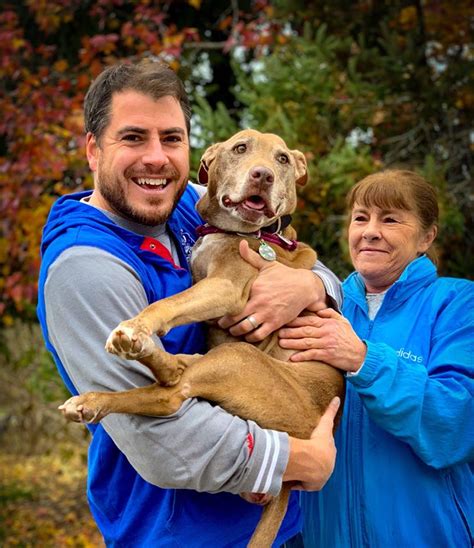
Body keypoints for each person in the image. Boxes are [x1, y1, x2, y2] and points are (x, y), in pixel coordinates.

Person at [37, 60, 343, 547]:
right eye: (134, 137)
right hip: (181, 533)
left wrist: (316, 287)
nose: (156, 159)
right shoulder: (85, 268)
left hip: (283, 527)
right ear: (94, 149)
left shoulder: (190, 204)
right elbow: (157, 440)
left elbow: (284, 246)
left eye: (171, 138)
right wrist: (294, 459)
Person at [277, 170, 474, 547]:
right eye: (360, 217)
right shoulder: (323, 309)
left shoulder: (457, 304)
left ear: (426, 237)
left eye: (390, 219)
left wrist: (362, 360)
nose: (369, 231)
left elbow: (457, 422)